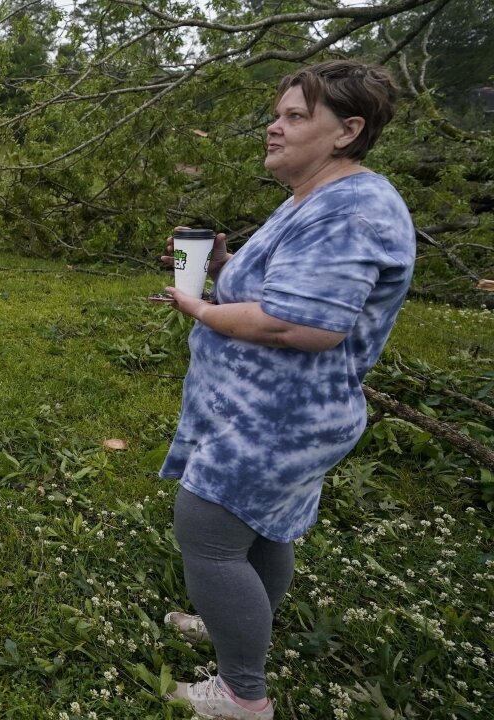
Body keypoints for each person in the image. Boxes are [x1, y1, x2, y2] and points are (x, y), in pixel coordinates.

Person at [157, 60, 415, 719]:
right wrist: (221, 268)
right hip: (268, 413)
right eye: (278, 114)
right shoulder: (314, 195)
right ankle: (233, 623)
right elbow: (285, 286)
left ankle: (242, 694)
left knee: (208, 532)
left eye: (296, 116)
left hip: (278, 419)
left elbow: (299, 324)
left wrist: (206, 312)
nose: (274, 128)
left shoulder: (352, 212)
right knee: (265, 534)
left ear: (347, 130)